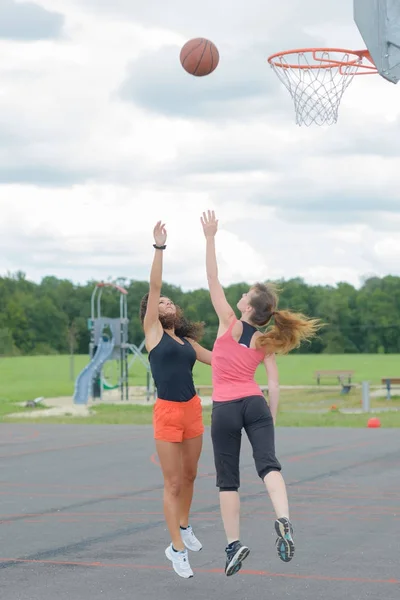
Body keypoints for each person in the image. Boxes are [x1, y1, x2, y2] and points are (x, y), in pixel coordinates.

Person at [200, 210, 321, 577]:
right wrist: (272, 413)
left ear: (249, 308)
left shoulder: (231, 324)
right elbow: (274, 383)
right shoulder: (265, 340)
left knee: (228, 480)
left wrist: (209, 237)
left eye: (245, 295)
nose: (239, 295)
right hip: (255, 405)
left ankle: (234, 546)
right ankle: (283, 519)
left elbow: (212, 278)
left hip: (225, 408)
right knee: (269, 465)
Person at [140, 221, 212, 580]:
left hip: (193, 410)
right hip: (167, 412)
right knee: (172, 483)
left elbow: (219, 359)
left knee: (191, 475)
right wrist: (159, 248)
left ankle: (183, 527)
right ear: (152, 312)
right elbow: (154, 286)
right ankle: (176, 550)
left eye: (170, 301)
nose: (166, 303)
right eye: (161, 302)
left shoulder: (186, 343)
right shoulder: (153, 333)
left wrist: (254, 342)